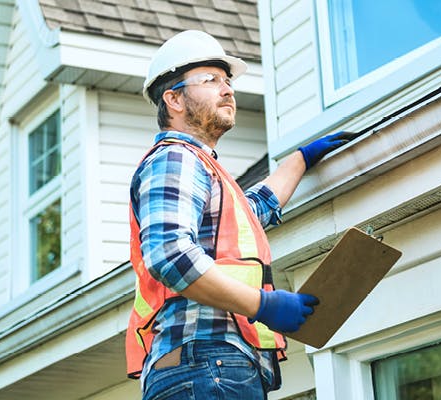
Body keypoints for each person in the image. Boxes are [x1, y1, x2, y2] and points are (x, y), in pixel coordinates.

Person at [125, 30, 351, 399]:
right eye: (211, 80)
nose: (227, 89)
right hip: (205, 362)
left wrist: (300, 159)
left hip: (209, 366)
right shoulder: (176, 157)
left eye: (227, 80)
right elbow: (170, 254)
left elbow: (251, 211)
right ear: (174, 99)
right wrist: (264, 305)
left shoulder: (204, 169)